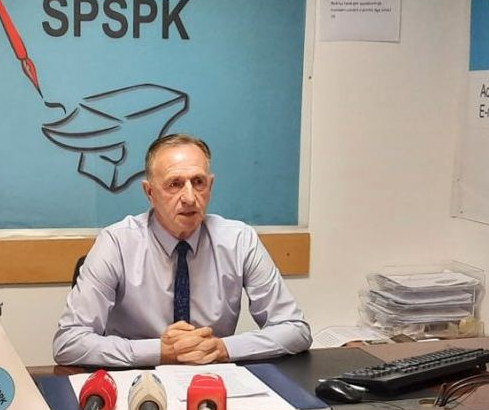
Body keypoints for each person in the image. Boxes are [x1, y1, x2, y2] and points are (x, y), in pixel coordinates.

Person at [53, 133, 311, 367]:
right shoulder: (117, 243)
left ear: (210, 186)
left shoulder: (239, 240)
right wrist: (160, 351)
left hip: (215, 379)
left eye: (198, 182)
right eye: (174, 184)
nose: (189, 197)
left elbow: (295, 329)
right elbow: (68, 342)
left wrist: (223, 348)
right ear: (149, 192)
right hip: (137, 382)